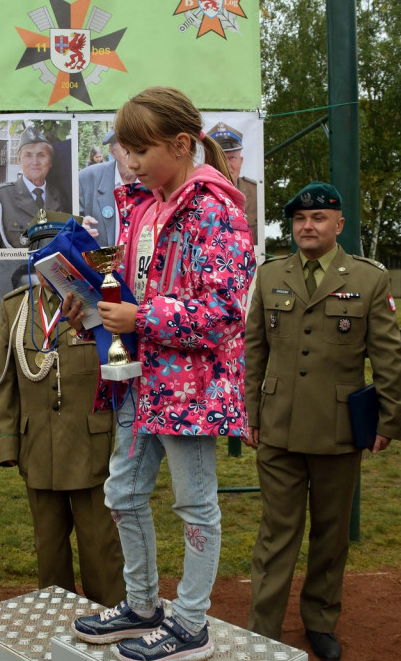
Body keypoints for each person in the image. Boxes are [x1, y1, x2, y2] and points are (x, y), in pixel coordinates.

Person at [65, 86, 255, 661]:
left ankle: (191, 624)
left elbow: (224, 312)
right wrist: (91, 307)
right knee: (122, 493)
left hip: (191, 388)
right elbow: (130, 289)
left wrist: (141, 317)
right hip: (139, 380)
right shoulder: (144, 206)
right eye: (125, 150)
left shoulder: (216, 210)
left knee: (195, 505)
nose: (129, 161)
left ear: (180, 144)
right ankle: (143, 605)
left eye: (139, 150)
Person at [242, 181, 401, 660]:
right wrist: (250, 412)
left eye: (318, 218)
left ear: (339, 224)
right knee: (276, 534)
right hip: (278, 426)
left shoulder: (368, 279)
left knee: (331, 535)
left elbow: (388, 356)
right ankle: (263, 629)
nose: (307, 226)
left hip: (338, 430)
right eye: (299, 219)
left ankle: (319, 621)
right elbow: (254, 351)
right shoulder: (270, 275)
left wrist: (389, 420)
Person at [0, 209, 125, 607]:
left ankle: (111, 616)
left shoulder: (99, 302)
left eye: (52, 253)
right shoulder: (16, 308)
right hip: (38, 447)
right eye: (38, 254)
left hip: (91, 443)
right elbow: (7, 381)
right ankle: (55, 621)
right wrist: (7, 443)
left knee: (100, 547)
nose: (44, 262)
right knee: (48, 548)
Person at [0, 126, 65, 248]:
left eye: (41, 155)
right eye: (28, 155)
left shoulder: (59, 195)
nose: (35, 162)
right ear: (19, 160)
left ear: (50, 162)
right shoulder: (0, 196)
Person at [78, 130, 138, 247]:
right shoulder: (86, 178)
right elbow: (67, 225)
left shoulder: (158, 181)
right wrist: (78, 230)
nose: (134, 157)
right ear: (112, 152)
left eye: (139, 149)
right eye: (126, 149)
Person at [207, 123, 258, 246]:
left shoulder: (255, 192)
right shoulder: (196, 194)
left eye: (232, 158)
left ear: (241, 161)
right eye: (221, 158)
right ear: (209, 162)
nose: (227, 165)